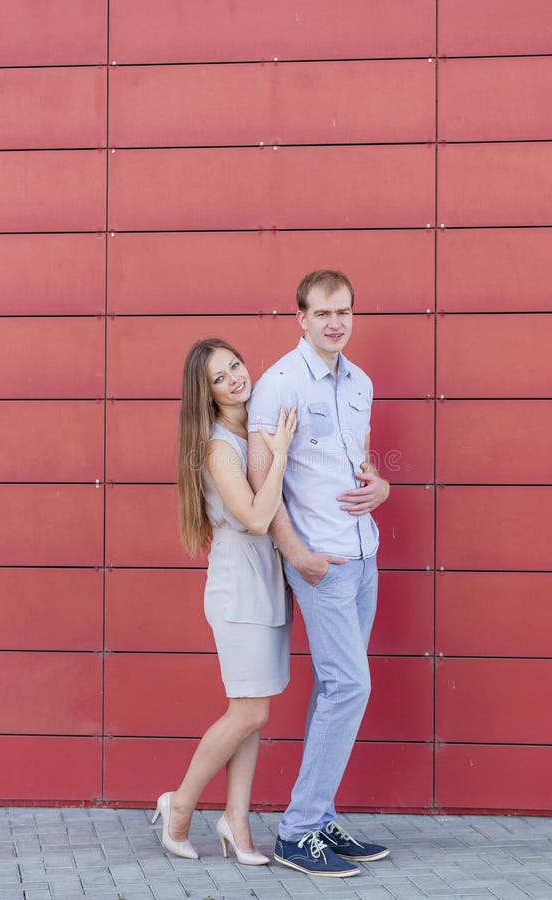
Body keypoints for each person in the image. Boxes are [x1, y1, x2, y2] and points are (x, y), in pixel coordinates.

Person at [247, 270, 391, 877]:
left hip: (364, 558)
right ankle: (298, 830)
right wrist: (295, 554)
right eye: (323, 312)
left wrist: (382, 485)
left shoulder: (360, 382)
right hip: (322, 565)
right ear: (299, 316)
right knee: (350, 686)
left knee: (336, 687)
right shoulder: (279, 383)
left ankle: (320, 815)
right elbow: (260, 477)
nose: (336, 322)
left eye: (345, 312)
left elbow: (357, 462)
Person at [152, 337, 296, 865]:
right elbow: (257, 518)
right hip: (239, 589)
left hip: (264, 584)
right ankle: (181, 806)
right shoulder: (217, 447)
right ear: (206, 394)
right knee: (250, 710)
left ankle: (236, 822)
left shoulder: (247, 426)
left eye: (235, 363)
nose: (236, 376)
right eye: (220, 376)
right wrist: (280, 455)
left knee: (252, 709)